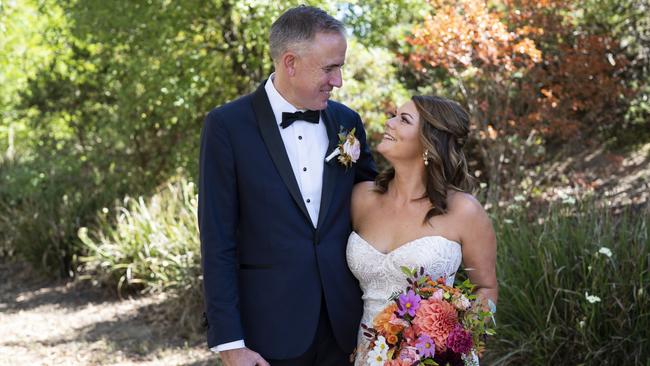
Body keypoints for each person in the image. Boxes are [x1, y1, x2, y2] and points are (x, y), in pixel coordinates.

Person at [198, 5, 377, 366]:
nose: (338, 80)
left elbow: (376, 204)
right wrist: (230, 343)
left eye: (340, 66)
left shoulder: (347, 121)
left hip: (346, 330)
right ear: (290, 63)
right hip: (267, 336)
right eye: (329, 68)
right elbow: (217, 239)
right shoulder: (226, 126)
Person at [346, 96, 498, 365]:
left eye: (403, 119)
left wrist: (454, 343)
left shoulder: (464, 211)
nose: (389, 123)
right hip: (367, 353)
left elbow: (484, 287)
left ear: (429, 142)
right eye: (393, 114)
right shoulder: (361, 198)